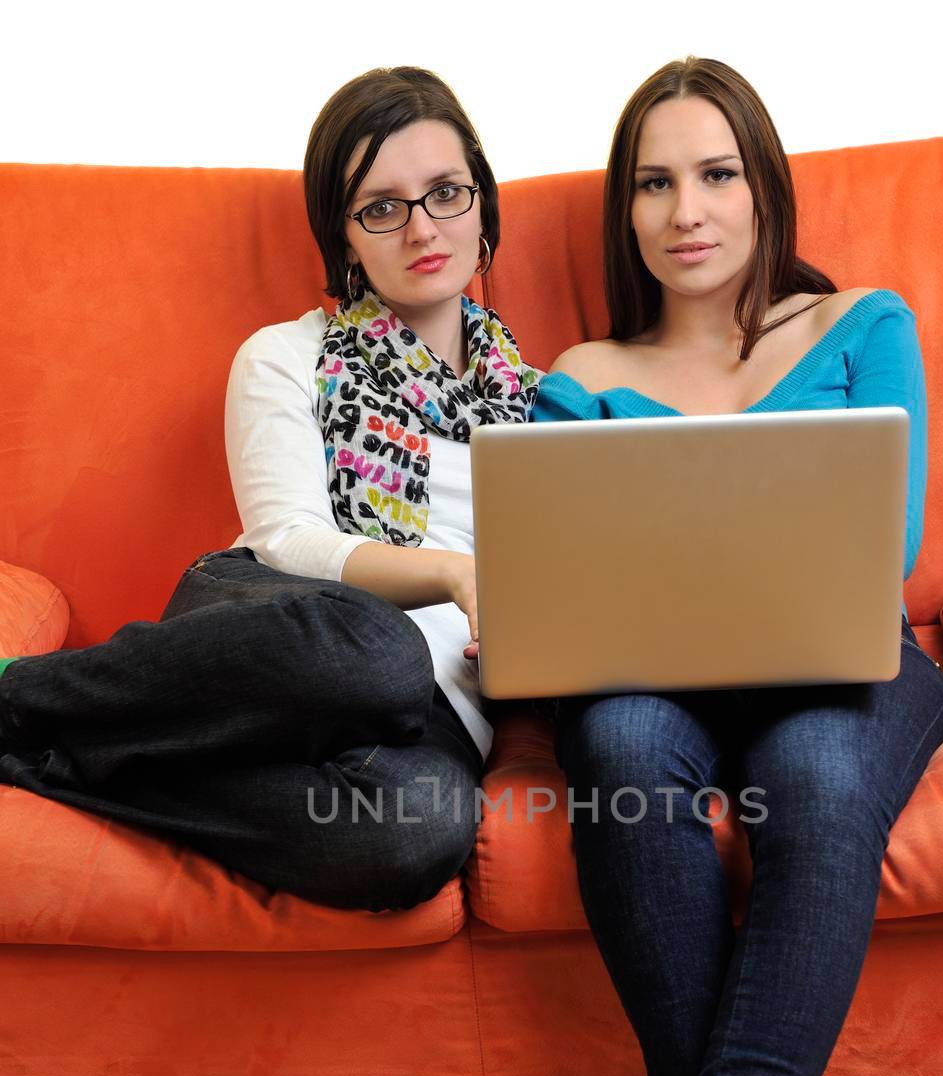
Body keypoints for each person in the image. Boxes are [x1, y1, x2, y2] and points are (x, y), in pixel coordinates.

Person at [532, 56, 943, 1076]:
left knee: (818, 784)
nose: (683, 209)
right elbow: (569, 578)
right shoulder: (582, 376)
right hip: (652, 674)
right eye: (652, 181)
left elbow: (878, 548)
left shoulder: (859, 326)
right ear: (625, 211)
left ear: (760, 185)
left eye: (713, 172)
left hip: (840, 666)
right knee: (612, 749)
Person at [0, 66, 541, 912]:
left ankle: (33, 754)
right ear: (344, 234)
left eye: (445, 193)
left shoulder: (544, 406)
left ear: (483, 205)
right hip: (275, 628)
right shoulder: (286, 354)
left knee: (417, 833)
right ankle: (19, 696)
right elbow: (286, 539)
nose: (421, 228)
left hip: (434, 708)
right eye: (381, 207)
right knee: (379, 653)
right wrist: (452, 575)